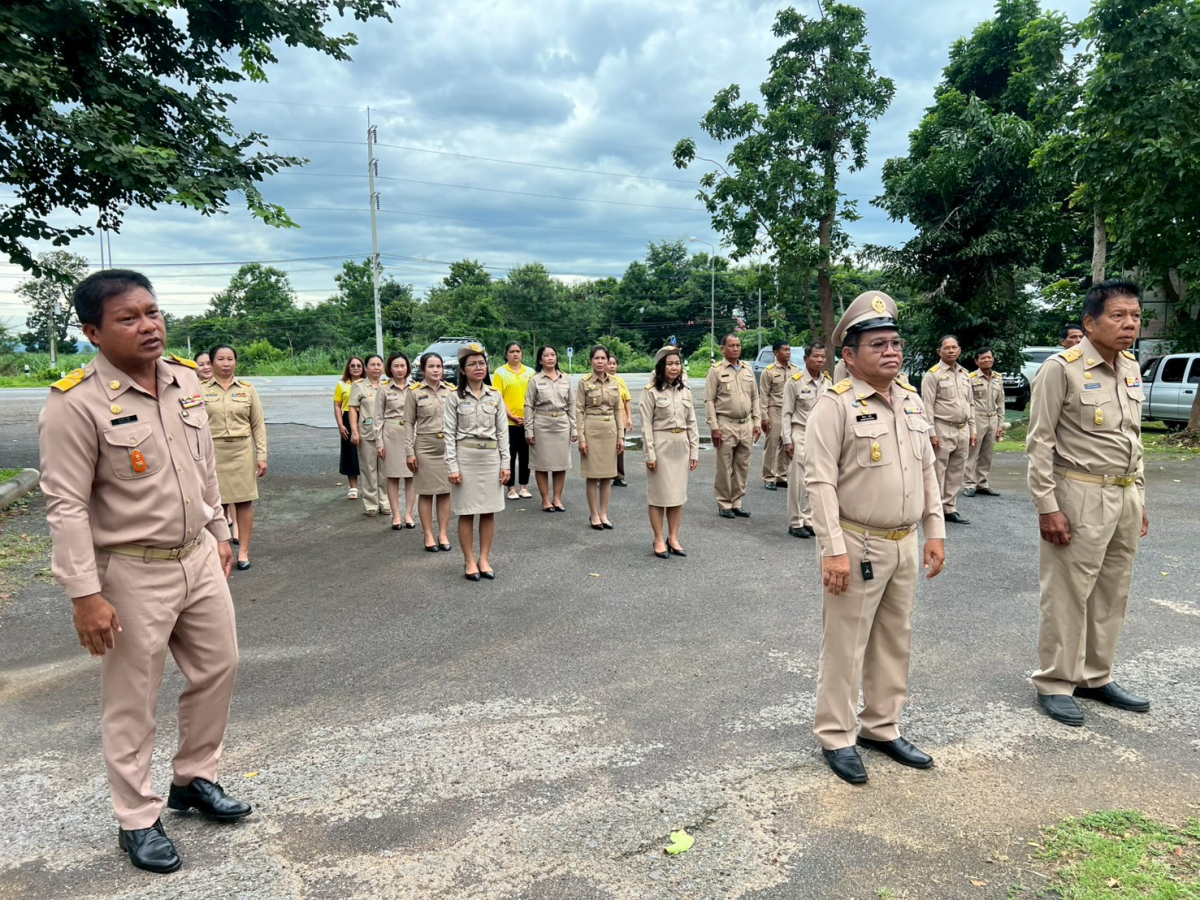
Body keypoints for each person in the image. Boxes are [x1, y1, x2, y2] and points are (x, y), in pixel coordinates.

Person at [39, 270, 250, 875]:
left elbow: (202, 464)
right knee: (133, 699)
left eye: (152, 313)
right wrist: (85, 593)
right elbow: (67, 506)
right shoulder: (74, 403)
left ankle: (194, 779)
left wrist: (220, 531)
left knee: (219, 668)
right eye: (128, 319)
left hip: (196, 557)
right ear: (93, 333)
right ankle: (136, 816)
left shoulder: (186, 380)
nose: (149, 326)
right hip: (130, 572)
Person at [805, 290, 945, 785]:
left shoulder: (909, 399)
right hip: (858, 542)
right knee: (846, 644)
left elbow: (928, 470)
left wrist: (935, 532)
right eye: (878, 344)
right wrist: (833, 551)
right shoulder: (835, 405)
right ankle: (837, 735)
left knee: (894, 640)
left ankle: (882, 727)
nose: (892, 352)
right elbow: (819, 481)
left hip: (905, 540)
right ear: (849, 355)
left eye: (896, 343)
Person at [1027, 279, 1150, 728]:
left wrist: (1140, 496)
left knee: (1112, 592)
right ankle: (1056, 681)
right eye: (1118, 316)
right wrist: (1047, 506)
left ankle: (1096, 677)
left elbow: (1133, 439)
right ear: (1090, 321)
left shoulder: (1131, 367)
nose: (1129, 324)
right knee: (1066, 593)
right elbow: (1039, 442)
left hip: (1124, 493)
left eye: (1135, 316)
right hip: (1078, 493)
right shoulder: (1063, 368)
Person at [445, 345, 511, 580]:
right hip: (466, 459)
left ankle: (484, 558)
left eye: (481, 363)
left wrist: (506, 464)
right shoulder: (454, 398)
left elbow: (503, 433)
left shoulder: (495, 395)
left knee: (488, 512)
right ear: (462, 370)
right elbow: (449, 434)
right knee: (466, 512)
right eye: (472, 364)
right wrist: (452, 467)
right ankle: (469, 560)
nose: (478, 367)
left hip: (491, 459)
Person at [204, 345, 267, 570]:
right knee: (215, 503)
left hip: (242, 450)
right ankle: (220, 551)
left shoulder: (248, 390)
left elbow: (258, 425)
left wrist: (262, 455)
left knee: (244, 501)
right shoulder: (200, 390)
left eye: (230, 359)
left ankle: (244, 552)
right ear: (211, 363)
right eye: (220, 359)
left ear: (236, 362)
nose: (226, 363)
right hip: (213, 452)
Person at [640, 346, 699, 558]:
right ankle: (658, 538)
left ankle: (673, 537)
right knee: (658, 496)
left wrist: (694, 451)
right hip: (661, 446)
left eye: (677, 363)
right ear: (661, 366)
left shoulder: (686, 391)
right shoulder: (650, 392)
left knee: (677, 496)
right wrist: (650, 454)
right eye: (670, 364)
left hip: (680, 446)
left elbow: (692, 422)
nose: (674, 368)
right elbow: (646, 425)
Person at [704, 333, 761, 518]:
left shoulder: (747, 369)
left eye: (738, 345)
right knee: (724, 466)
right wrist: (714, 427)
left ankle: (737, 502)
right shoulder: (716, 371)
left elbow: (755, 397)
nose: (735, 349)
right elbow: (709, 400)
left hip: (745, 425)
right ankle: (724, 503)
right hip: (725, 425)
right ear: (723, 349)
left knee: (742, 466)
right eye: (731, 346)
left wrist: (757, 422)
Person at [921, 335, 976, 524]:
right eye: (947, 348)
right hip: (942, 427)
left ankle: (949, 508)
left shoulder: (965, 374)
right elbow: (927, 405)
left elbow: (970, 404)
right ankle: (934, 509)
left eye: (954, 347)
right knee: (938, 470)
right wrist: (931, 432)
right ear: (939, 352)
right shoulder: (933, 374)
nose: (951, 351)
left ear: (960, 350)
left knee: (956, 470)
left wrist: (973, 429)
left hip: (963, 428)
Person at [405, 353, 454, 552]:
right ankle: (428, 534)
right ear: (423, 370)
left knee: (445, 492)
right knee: (426, 493)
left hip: (447, 447)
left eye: (439, 366)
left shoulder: (452, 391)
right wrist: (409, 451)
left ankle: (443, 533)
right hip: (425, 446)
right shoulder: (414, 393)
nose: (436, 370)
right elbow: (408, 423)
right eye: (431, 366)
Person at [781, 341, 830, 538]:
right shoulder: (795, 382)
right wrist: (787, 440)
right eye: (816, 357)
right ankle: (795, 521)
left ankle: (809, 518)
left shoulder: (827, 382)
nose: (820, 360)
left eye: (823, 357)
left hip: (821, 436)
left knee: (816, 479)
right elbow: (786, 413)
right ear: (805, 359)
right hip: (800, 432)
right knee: (797, 480)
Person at [577, 345, 624, 530]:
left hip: (610, 431)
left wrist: (621, 436)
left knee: (607, 475)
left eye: (603, 358)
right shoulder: (584, 382)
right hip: (592, 429)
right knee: (592, 475)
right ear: (591, 361)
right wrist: (581, 438)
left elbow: (618, 410)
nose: (600, 362)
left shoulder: (614, 383)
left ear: (608, 360)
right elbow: (579, 410)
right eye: (596, 358)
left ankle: (604, 513)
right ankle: (594, 514)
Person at [524, 345, 576, 512]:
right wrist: (529, 430)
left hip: (561, 424)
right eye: (546, 355)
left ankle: (557, 498)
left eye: (553, 354)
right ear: (540, 360)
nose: (550, 358)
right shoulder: (535, 380)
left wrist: (574, 429)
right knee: (542, 464)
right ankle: (546, 499)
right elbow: (529, 406)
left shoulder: (565, 379)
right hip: (542, 424)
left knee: (561, 464)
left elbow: (571, 405)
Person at [491, 341, 534, 501]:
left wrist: (529, 417)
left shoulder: (530, 372)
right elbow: (498, 397)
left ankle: (524, 486)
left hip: (528, 421)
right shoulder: (500, 372)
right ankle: (511, 488)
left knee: (526, 456)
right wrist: (511, 416)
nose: (515, 354)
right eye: (511, 351)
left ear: (522, 353)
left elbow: (534, 396)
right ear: (506, 354)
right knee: (509, 455)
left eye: (518, 351)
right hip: (508, 423)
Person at [379, 353, 417, 530]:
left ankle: (409, 513)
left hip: (412, 434)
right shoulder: (384, 389)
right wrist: (379, 443)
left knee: (412, 476)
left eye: (403, 366)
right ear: (390, 368)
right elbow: (377, 418)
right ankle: (396, 515)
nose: (400, 369)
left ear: (408, 367)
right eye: (396, 366)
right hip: (391, 434)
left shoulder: (416, 388)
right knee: (393, 476)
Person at [349, 355, 388, 518]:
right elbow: (352, 409)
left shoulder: (387, 386)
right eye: (373, 364)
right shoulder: (359, 386)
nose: (376, 368)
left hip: (386, 434)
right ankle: (371, 504)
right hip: (367, 433)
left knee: (385, 470)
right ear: (366, 367)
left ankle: (385, 502)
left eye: (379, 364)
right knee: (369, 469)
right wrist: (354, 431)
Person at [963, 347, 1005, 498]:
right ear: (977, 361)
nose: (987, 360)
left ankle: (982, 483)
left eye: (989, 357)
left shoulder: (998, 378)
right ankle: (969, 484)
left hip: (992, 418)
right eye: (983, 358)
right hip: (977, 417)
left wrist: (1000, 423)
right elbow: (967, 402)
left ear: (993, 359)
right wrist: (970, 423)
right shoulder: (971, 378)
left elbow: (1000, 402)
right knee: (972, 452)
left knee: (987, 453)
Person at [759, 340, 800, 490]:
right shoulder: (768, 371)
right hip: (774, 410)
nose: (788, 352)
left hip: (790, 412)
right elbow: (763, 395)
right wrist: (764, 416)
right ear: (776, 353)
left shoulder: (795, 371)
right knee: (772, 444)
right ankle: (768, 476)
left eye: (789, 350)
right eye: (785, 350)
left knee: (786, 442)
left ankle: (782, 475)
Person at [334, 357, 364, 500]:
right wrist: (340, 424)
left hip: (365, 417)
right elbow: (337, 405)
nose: (356, 368)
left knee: (368, 451)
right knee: (350, 452)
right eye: (353, 366)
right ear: (348, 368)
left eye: (359, 365)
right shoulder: (342, 385)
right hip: (347, 418)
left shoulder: (367, 383)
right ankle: (353, 487)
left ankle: (373, 486)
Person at [607, 353, 633, 487]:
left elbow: (627, 400)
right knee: (605, 448)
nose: (612, 366)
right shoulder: (602, 381)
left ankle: (619, 476)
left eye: (614, 363)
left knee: (620, 447)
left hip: (620, 418)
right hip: (606, 419)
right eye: (609, 363)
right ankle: (603, 475)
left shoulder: (621, 381)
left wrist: (629, 417)